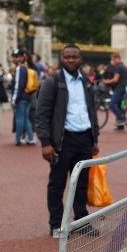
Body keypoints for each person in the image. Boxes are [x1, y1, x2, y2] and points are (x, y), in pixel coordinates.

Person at [35, 44, 99, 236]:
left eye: (74, 57)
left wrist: (94, 138)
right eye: (67, 57)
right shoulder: (52, 82)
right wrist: (45, 142)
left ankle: (81, 220)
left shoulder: (86, 81)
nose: (71, 60)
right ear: (62, 59)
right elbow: (42, 114)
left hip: (85, 139)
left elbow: (92, 111)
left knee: (81, 183)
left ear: (80, 59)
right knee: (57, 183)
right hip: (62, 141)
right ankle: (56, 224)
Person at [11, 50, 35, 145]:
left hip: (21, 97)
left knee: (20, 119)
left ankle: (17, 139)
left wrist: (15, 99)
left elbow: (18, 85)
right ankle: (31, 138)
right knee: (26, 118)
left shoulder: (19, 69)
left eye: (16, 57)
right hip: (27, 96)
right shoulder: (26, 68)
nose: (14, 59)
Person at [104, 53, 127, 130]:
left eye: (113, 60)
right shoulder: (122, 66)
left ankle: (121, 119)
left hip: (119, 88)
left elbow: (116, 79)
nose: (112, 62)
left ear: (117, 58)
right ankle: (120, 126)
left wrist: (107, 81)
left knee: (112, 104)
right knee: (119, 106)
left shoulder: (118, 67)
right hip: (122, 87)